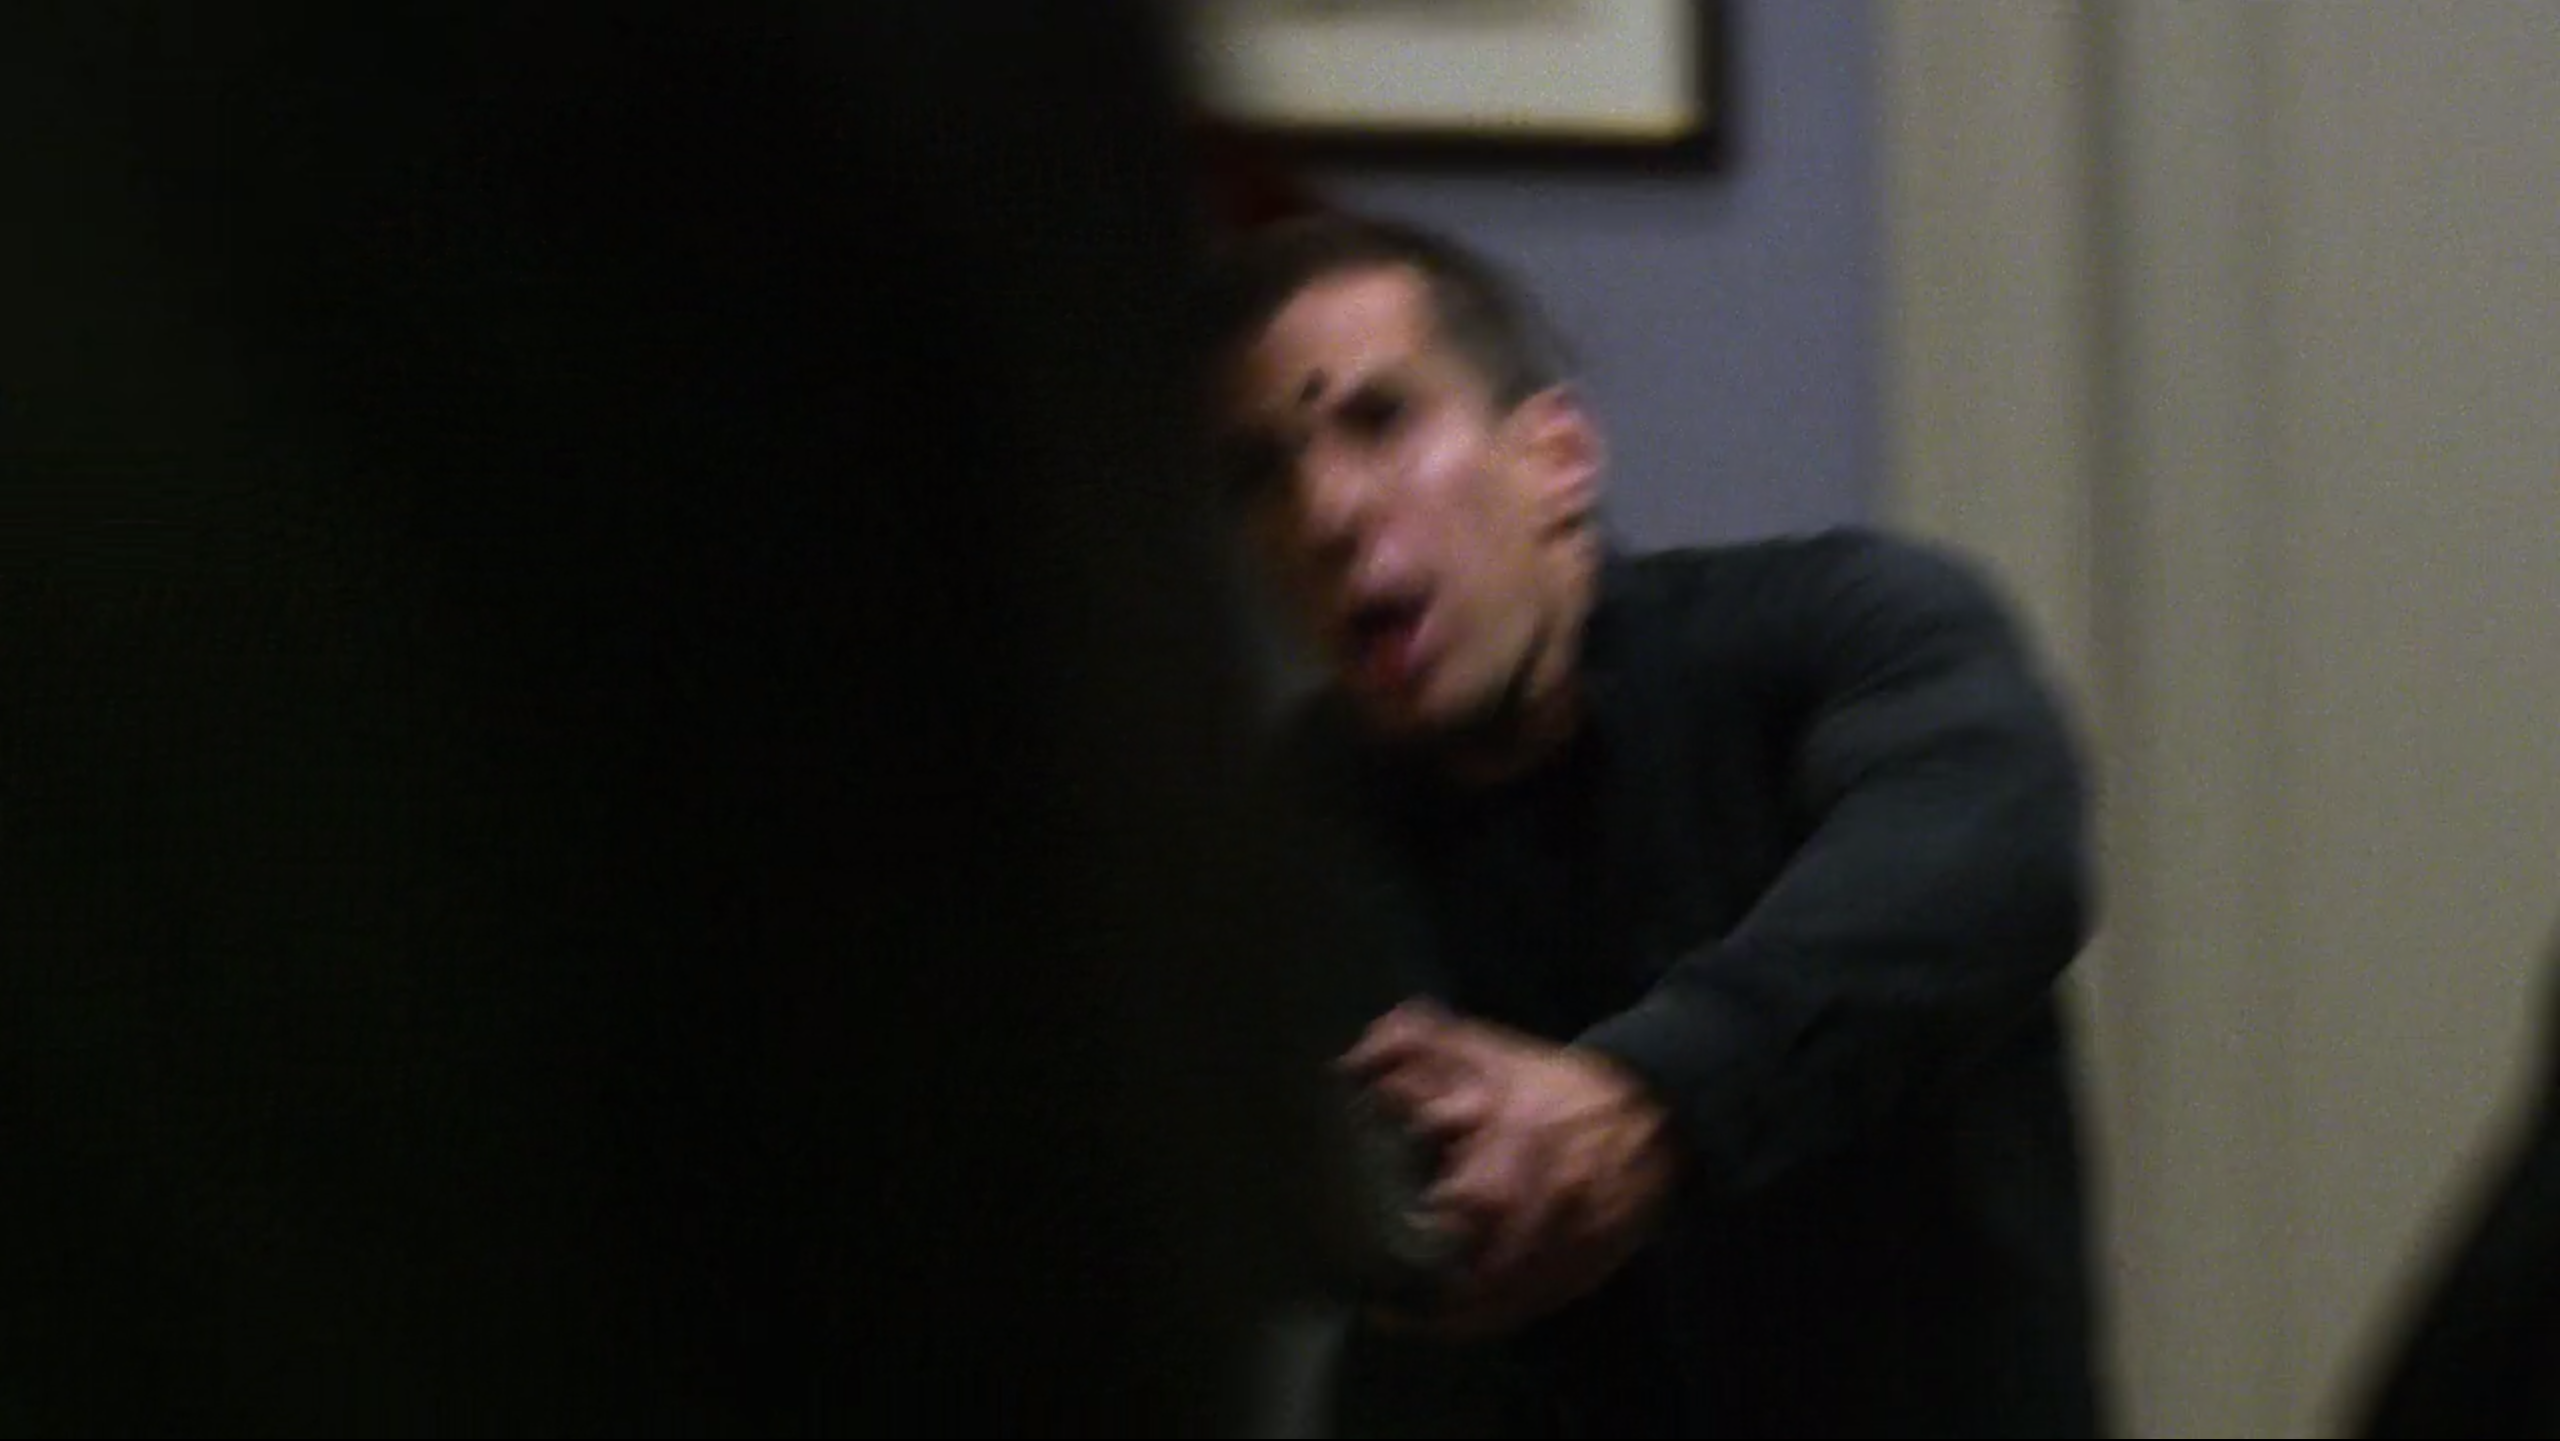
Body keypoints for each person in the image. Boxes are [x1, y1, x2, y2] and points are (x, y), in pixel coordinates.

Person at [1202, 212, 2110, 1438]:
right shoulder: (1297, 817)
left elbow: (1994, 849)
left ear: (1557, 457)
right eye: (1261, 472)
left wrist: (1648, 1100)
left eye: (1381, 420)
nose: (1324, 510)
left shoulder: (1842, 631)